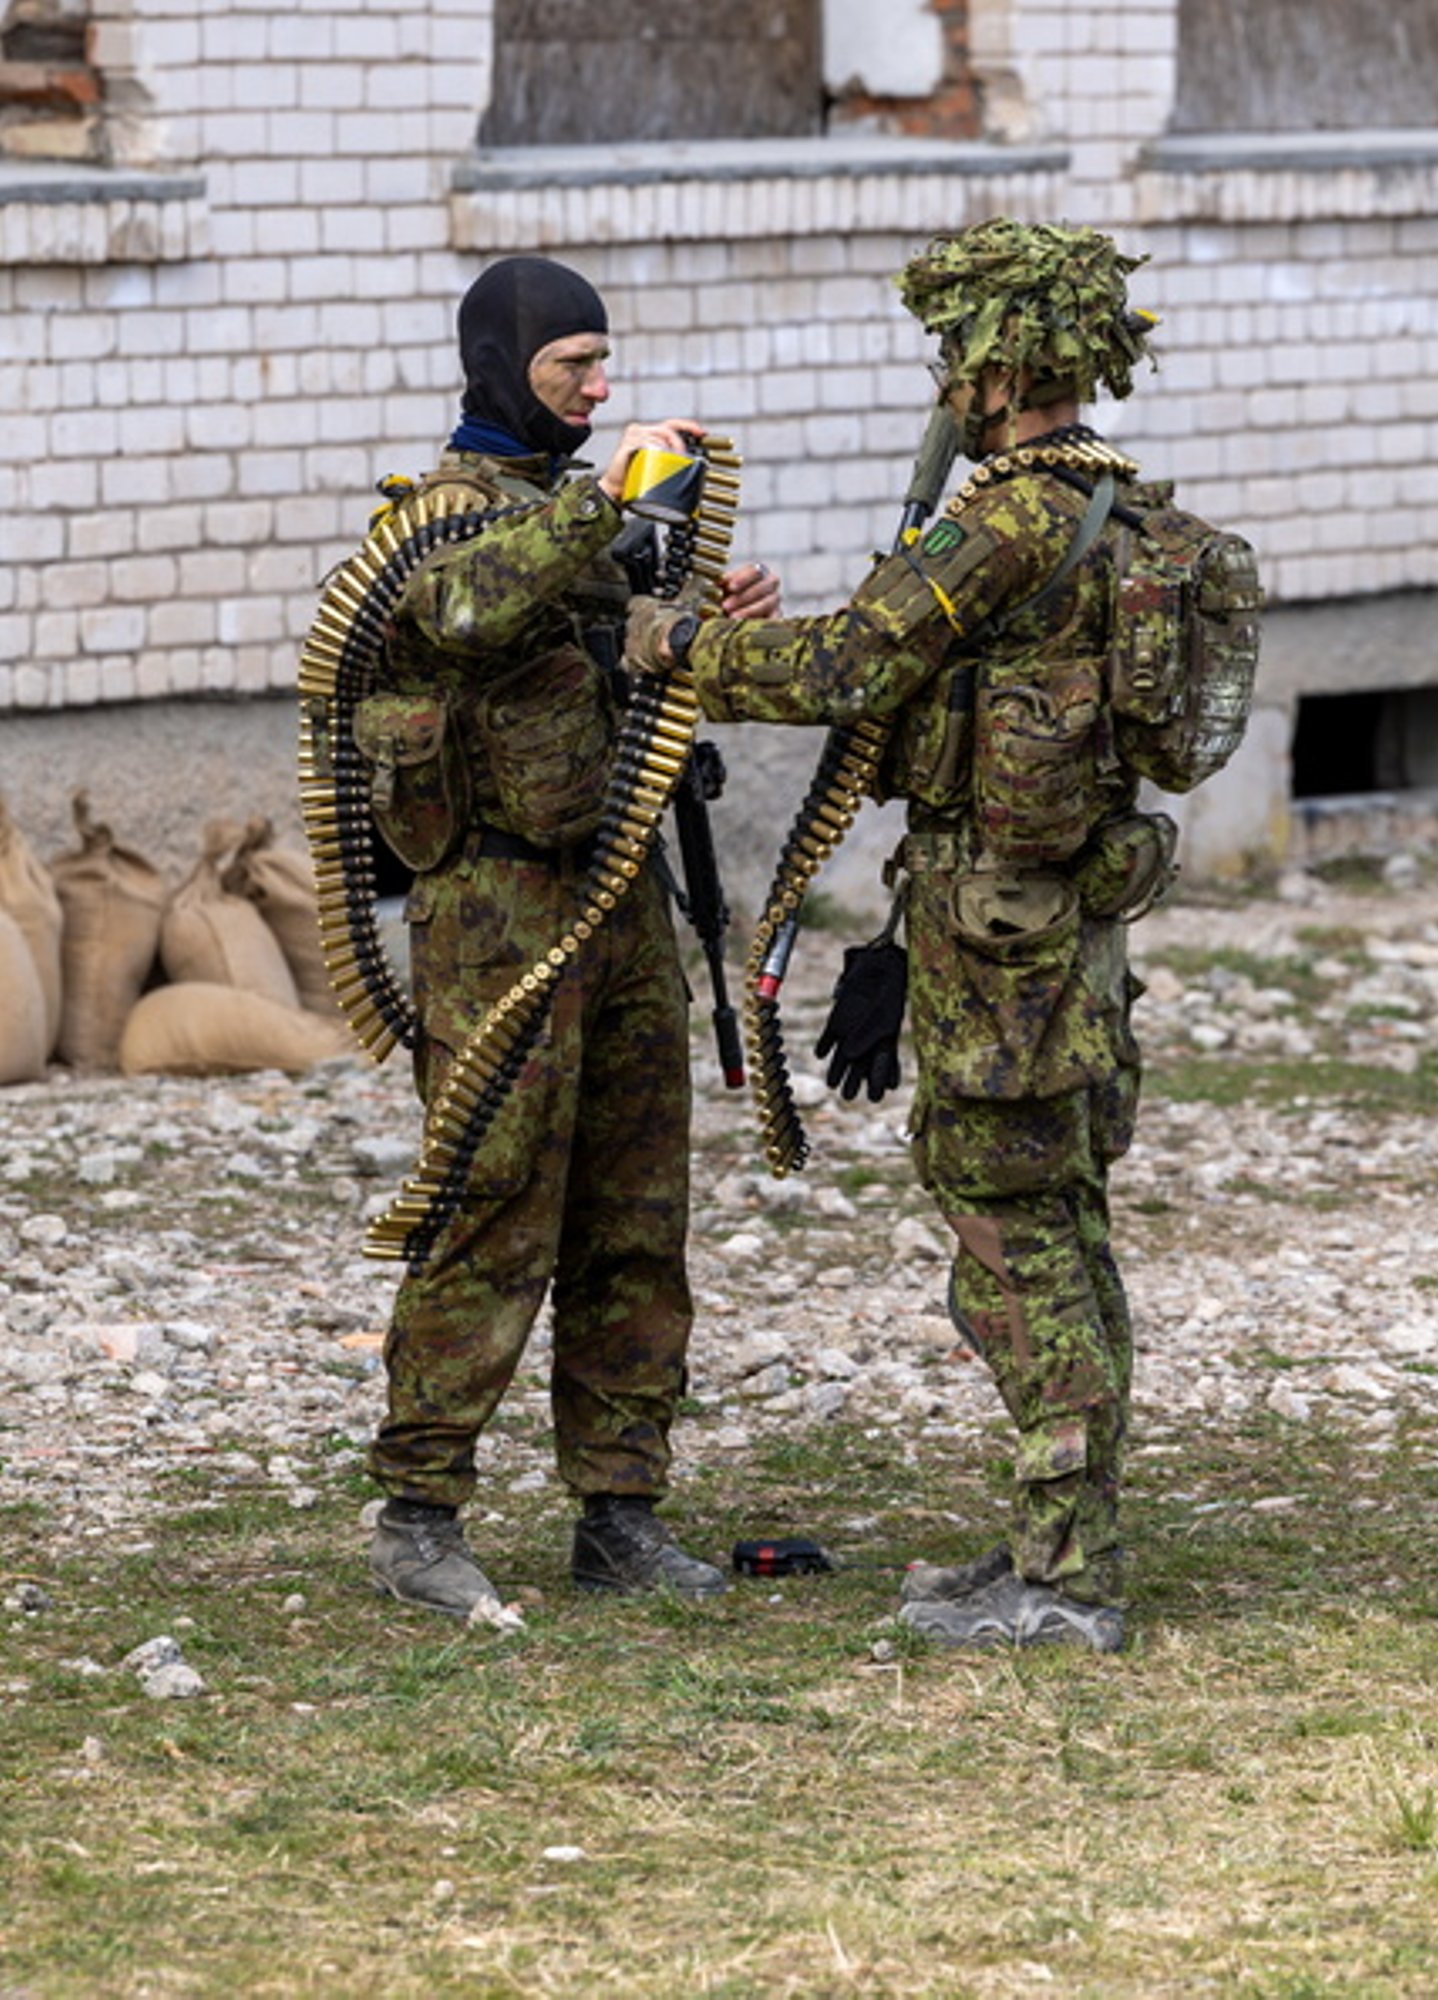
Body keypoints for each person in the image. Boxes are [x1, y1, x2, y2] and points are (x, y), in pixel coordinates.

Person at [629, 218, 1177, 1654]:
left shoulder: (1007, 519)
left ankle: (1067, 1584)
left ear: (998, 361)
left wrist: (677, 646)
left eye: (957, 347)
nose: (943, 372)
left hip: (1003, 940)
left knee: (1016, 1243)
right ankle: (1055, 1544)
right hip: (1039, 922)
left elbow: (851, 662)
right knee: (1056, 1226)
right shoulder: (1096, 501)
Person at [361, 254, 779, 1620]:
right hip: (497, 910)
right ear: (503, 369)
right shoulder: (439, 518)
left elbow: (609, 653)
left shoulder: (566, 511)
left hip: (619, 892)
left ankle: (621, 1510)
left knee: (635, 1206)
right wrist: (605, 505)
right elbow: (466, 614)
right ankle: (421, 1510)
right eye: (571, 371)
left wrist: (689, 630)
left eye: (605, 368)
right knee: (489, 1206)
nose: (598, 394)